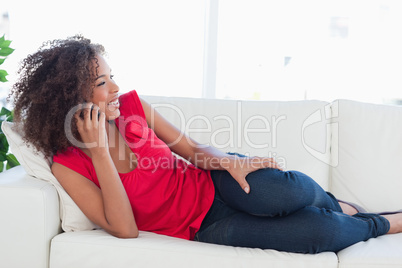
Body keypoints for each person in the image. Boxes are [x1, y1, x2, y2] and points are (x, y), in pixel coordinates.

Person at [10, 35, 402, 254]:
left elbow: (192, 149)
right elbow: (125, 230)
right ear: (69, 94)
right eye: (101, 83)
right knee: (320, 237)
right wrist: (98, 152)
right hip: (203, 228)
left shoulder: (132, 107)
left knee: (281, 192)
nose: (115, 88)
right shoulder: (67, 163)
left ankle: (339, 205)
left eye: (112, 77)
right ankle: (379, 223)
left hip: (211, 182)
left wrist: (223, 160)